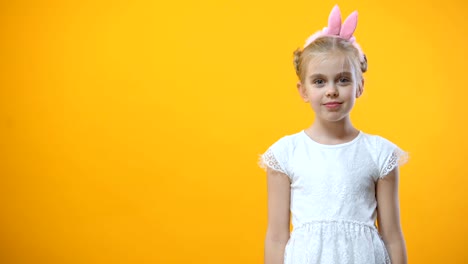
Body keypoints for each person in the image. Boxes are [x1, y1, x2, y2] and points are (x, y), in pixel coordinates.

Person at [258, 5, 408, 264]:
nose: (331, 91)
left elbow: (392, 236)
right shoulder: (285, 154)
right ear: (303, 90)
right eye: (319, 81)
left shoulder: (379, 154)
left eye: (342, 80)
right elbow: (276, 237)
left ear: (359, 86)